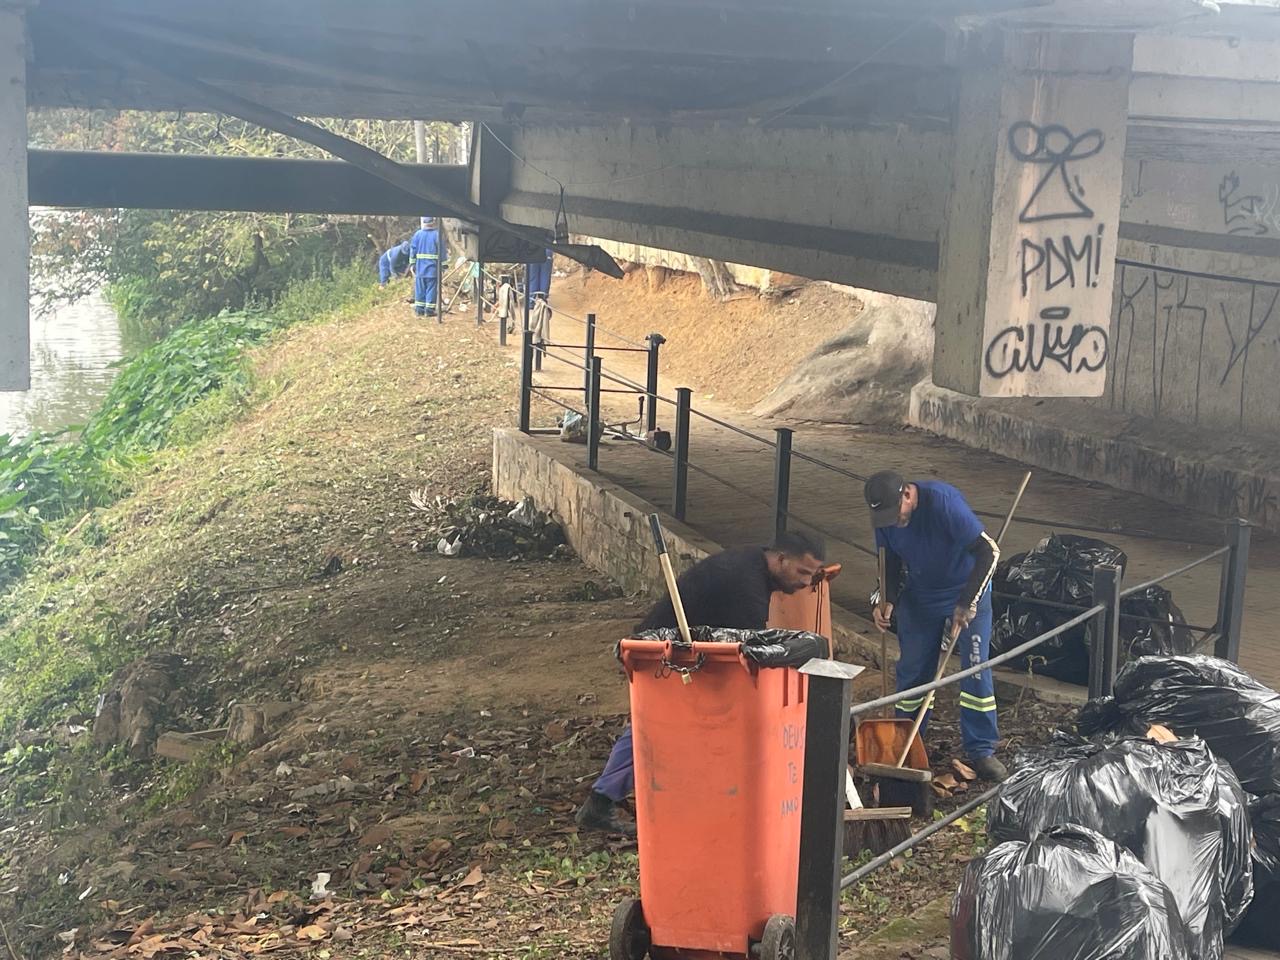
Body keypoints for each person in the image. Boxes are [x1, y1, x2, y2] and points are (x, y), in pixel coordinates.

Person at [576, 530, 827, 837]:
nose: (805, 582)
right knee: (657, 727)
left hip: (682, 650)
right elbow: (748, 651)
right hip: (662, 656)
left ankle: (613, 800)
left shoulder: (753, 563)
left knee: (660, 728)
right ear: (782, 558)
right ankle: (607, 803)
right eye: (802, 572)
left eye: (811, 575)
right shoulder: (744, 583)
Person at [865, 470, 1007, 782]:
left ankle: (981, 750)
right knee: (914, 670)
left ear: (907, 495)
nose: (894, 522)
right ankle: (908, 741)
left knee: (975, 668)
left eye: (896, 514)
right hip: (922, 594)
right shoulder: (886, 518)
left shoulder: (943, 502)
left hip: (966, 589)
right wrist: (886, 599)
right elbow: (889, 562)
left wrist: (967, 602)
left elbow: (989, 551)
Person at [409, 217, 441, 319]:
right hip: (432, 268)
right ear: (433, 223)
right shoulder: (437, 235)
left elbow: (413, 250)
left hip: (420, 268)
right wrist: (444, 265)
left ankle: (419, 310)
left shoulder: (418, 235)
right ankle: (429, 310)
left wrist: (412, 264)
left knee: (420, 288)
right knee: (431, 288)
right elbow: (442, 252)